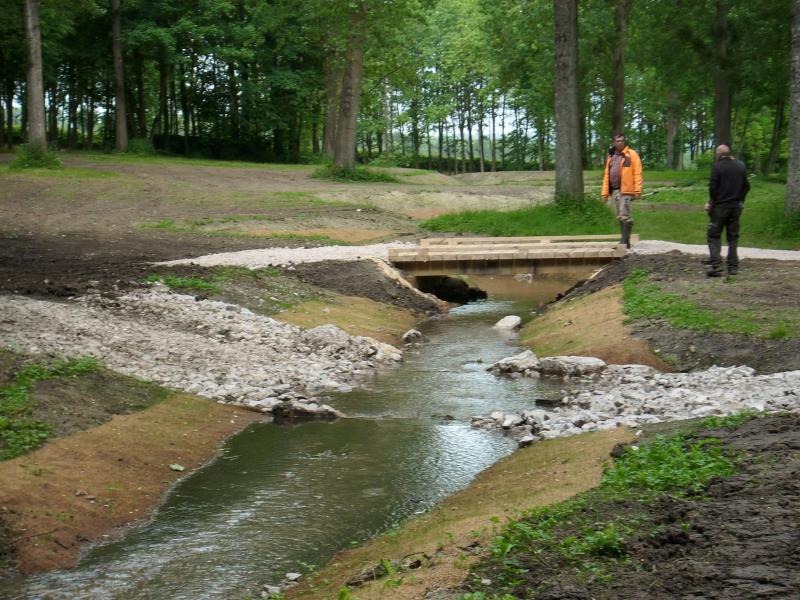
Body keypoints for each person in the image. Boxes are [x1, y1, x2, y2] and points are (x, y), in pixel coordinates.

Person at [705, 144, 750, 277]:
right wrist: (740, 201)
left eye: (716, 154)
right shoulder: (741, 165)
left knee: (713, 235)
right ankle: (733, 267)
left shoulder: (717, 167)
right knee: (732, 238)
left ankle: (717, 266)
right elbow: (747, 186)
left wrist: (711, 203)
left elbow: (713, 188)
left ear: (719, 154)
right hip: (735, 208)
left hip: (720, 208)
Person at [601, 133, 642, 248]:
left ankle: (623, 242)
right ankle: (625, 241)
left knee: (625, 215)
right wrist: (604, 193)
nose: (620, 143)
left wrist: (638, 190)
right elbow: (606, 175)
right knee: (619, 215)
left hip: (626, 190)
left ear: (624, 142)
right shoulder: (611, 156)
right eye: (617, 141)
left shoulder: (632, 154)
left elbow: (637, 173)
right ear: (613, 142)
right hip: (615, 191)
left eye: (622, 141)